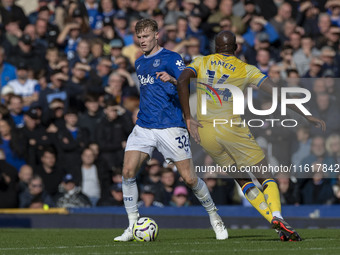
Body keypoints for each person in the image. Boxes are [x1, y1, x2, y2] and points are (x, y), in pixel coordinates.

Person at [177, 31, 327, 241]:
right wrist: (307, 114)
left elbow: (182, 80)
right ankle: (277, 215)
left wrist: (188, 117)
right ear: (236, 48)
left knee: (243, 180)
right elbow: (278, 94)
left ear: (216, 48)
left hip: (205, 133)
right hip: (231, 128)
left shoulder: (201, 61)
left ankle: (277, 226)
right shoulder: (246, 70)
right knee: (265, 175)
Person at [114, 18, 228, 242]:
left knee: (189, 179)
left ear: (157, 34)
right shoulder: (138, 63)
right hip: (145, 125)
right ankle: (131, 224)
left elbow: (190, 85)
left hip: (171, 126)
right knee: (127, 172)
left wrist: (174, 81)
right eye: (139, 37)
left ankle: (215, 216)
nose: (142, 41)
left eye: (146, 36)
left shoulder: (172, 58)